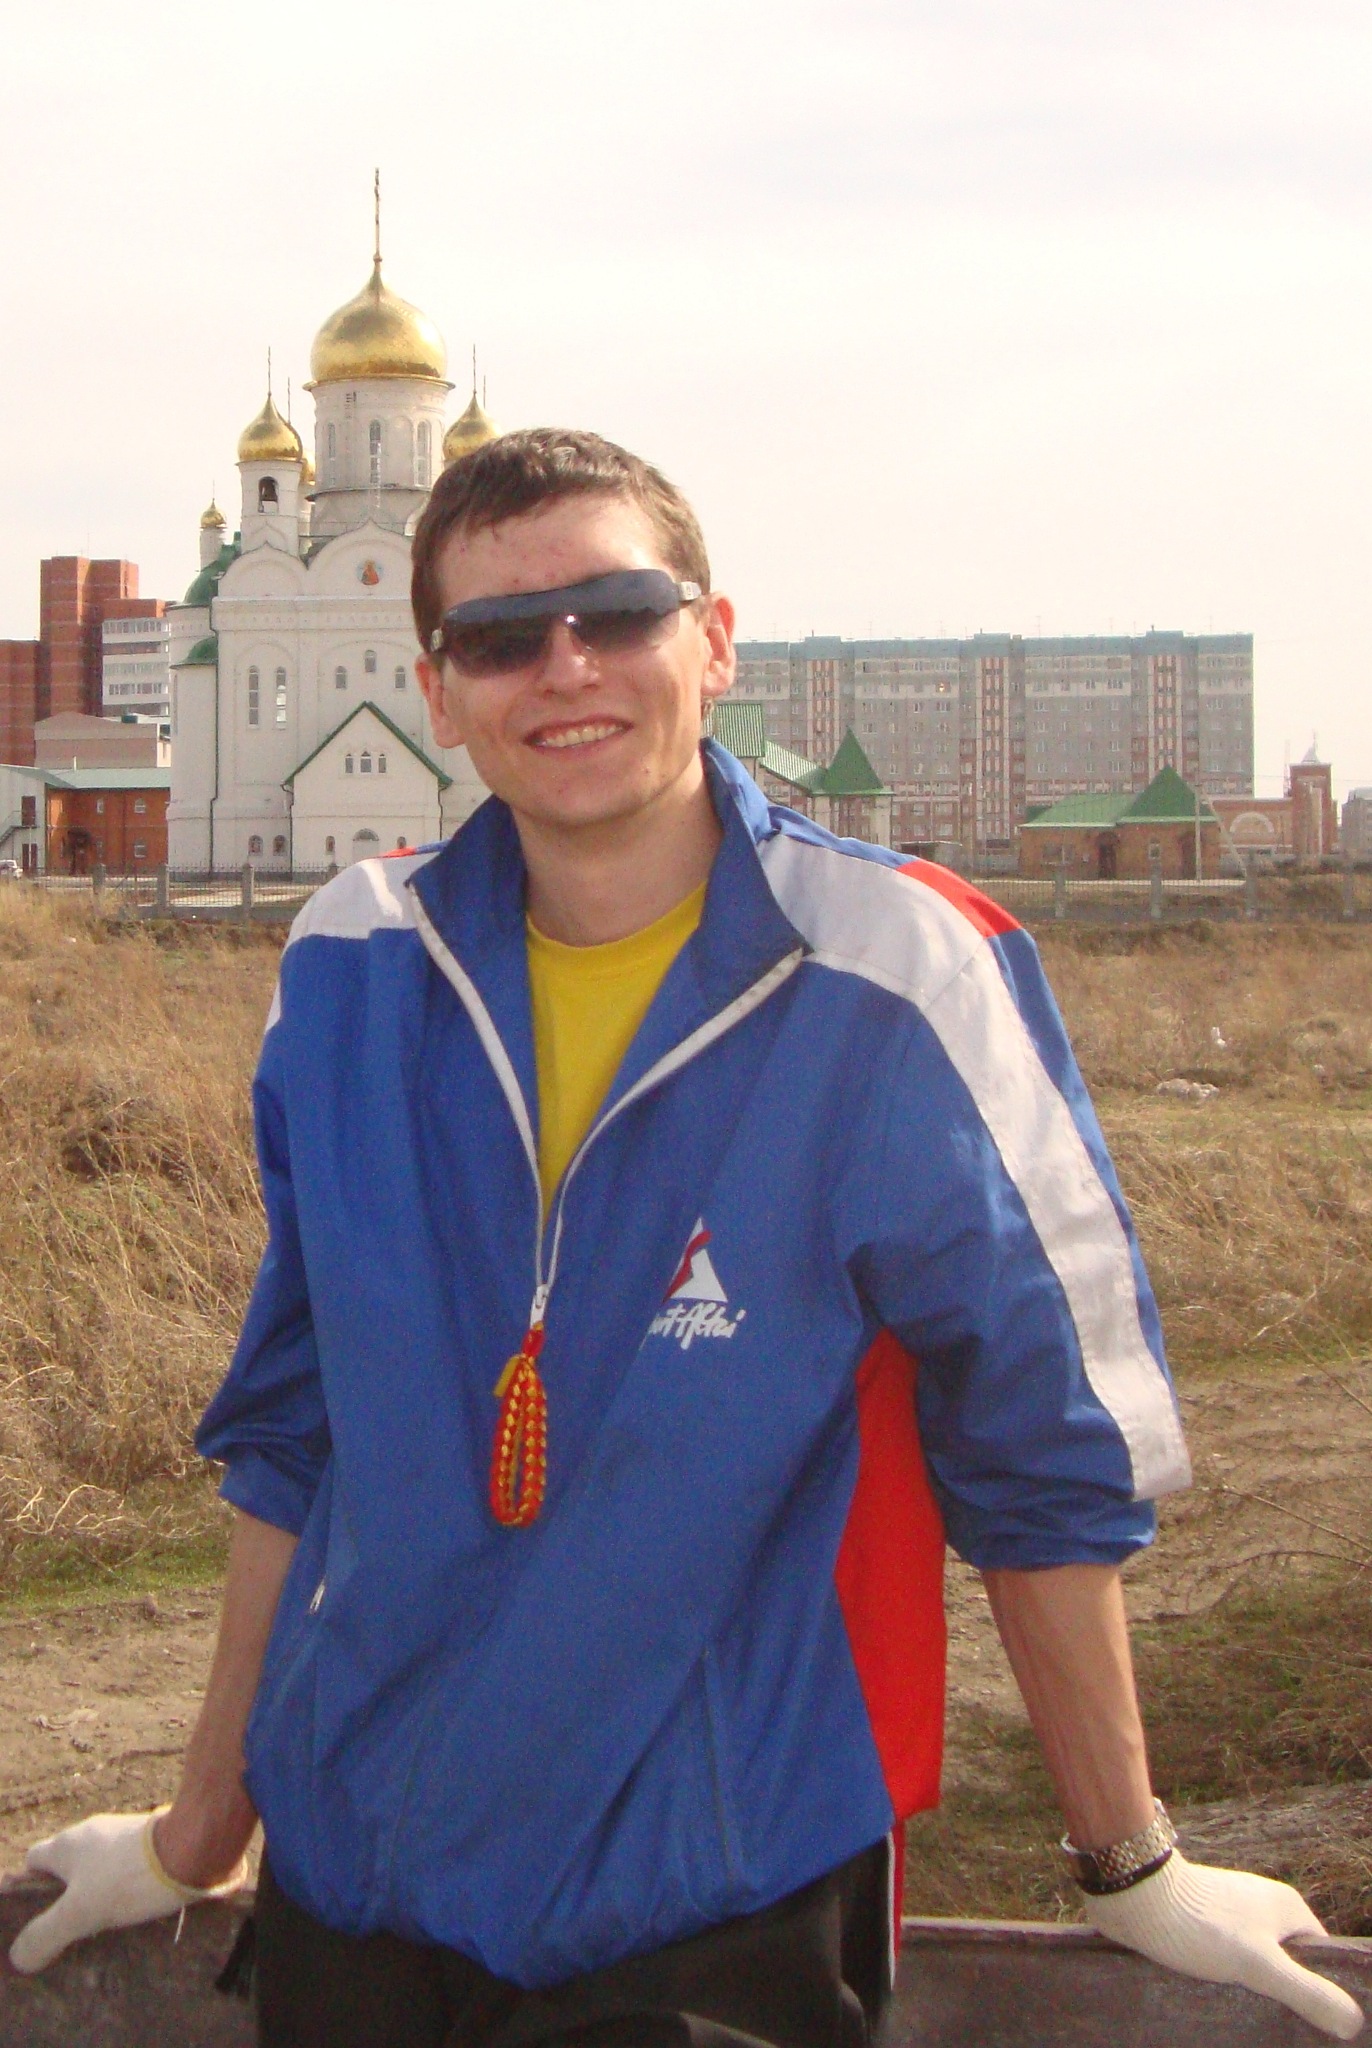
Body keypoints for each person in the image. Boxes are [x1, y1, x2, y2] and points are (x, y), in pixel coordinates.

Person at [10, 430, 1362, 2048]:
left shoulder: (891, 970)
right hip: (357, 1890)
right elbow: (300, 1436)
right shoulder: (356, 964)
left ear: (713, 641)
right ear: (437, 691)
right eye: (500, 637)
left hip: (714, 1898)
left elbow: (1041, 1438)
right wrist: (197, 1835)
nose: (565, 668)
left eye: (618, 612)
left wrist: (1127, 1858)